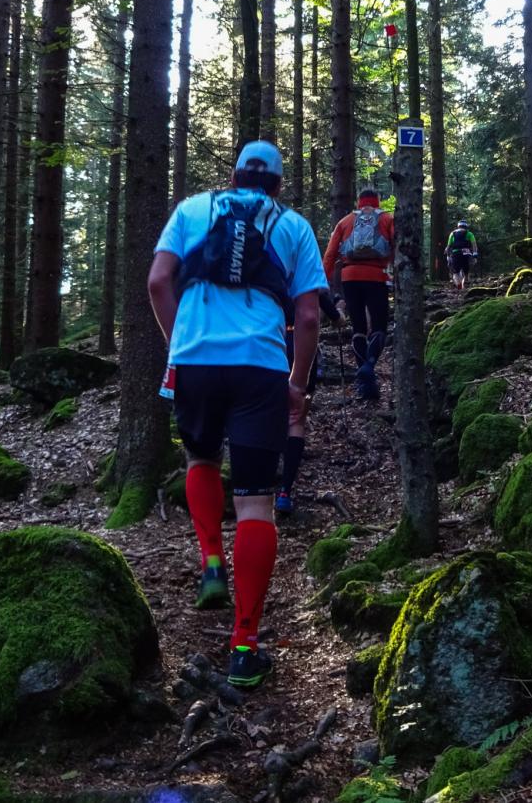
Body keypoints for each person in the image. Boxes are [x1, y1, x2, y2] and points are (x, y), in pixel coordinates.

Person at [147, 141, 326, 690]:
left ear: (234, 175)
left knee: (200, 458)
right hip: (260, 367)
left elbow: (157, 282)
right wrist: (297, 384)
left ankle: (210, 561)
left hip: (195, 360)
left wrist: (179, 345)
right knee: (255, 503)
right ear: (278, 183)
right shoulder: (293, 225)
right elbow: (309, 316)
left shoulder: (192, 209)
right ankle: (244, 647)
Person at [323, 188, 395, 401]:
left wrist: (324, 282)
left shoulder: (345, 221)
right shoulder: (387, 219)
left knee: (358, 328)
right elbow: (399, 247)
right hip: (377, 277)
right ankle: (369, 365)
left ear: (358, 202)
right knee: (379, 326)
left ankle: (365, 384)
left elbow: (330, 254)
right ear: (377, 201)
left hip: (350, 278)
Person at [277, 288, 341, 517]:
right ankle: (285, 491)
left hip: (270, 342)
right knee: (297, 420)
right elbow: (325, 306)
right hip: (302, 346)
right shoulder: (303, 275)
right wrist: (337, 315)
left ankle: (264, 483)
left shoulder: (266, 272)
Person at [447, 220, 479, 290]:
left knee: (456, 272)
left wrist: (448, 256)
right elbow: (474, 245)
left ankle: (459, 286)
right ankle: (465, 286)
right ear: (466, 226)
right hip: (466, 253)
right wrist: (475, 255)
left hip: (455, 253)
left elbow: (448, 246)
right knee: (466, 272)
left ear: (458, 226)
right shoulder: (469, 233)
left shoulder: (452, 233)